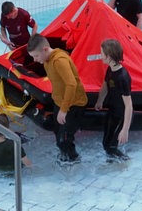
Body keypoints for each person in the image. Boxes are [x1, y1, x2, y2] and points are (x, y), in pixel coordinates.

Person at [27, 34, 87, 162]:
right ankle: (65, 158)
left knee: (64, 139)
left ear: (45, 49)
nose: (35, 60)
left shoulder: (59, 60)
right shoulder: (47, 60)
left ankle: (74, 161)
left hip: (74, 104)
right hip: (60, 102)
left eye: (36, 56)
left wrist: (64, 109)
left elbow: (71, 84)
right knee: (58, 134)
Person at [94, 39, 133, 162]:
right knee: (106, 144)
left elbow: (129, 105)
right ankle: (112, 165)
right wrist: (99, 101)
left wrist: (125, 129)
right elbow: (105, 85)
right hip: (112, 111)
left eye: (102, 53)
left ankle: (126, 163)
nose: (100, 56)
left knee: (111, 146)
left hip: (121, 115)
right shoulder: (110, 69)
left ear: (109, 56)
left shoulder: (122, 77)